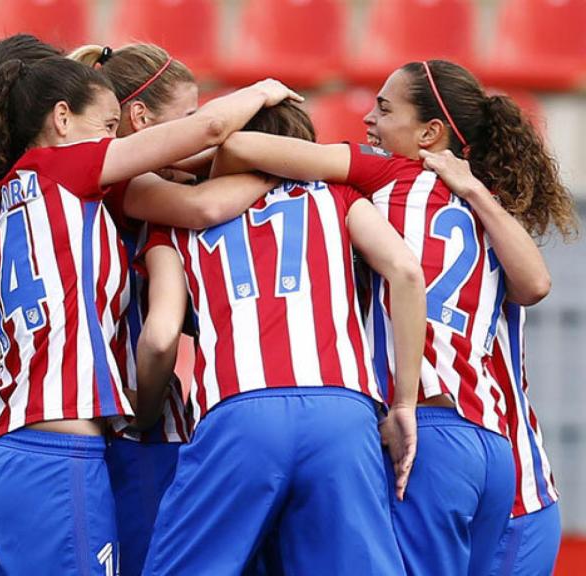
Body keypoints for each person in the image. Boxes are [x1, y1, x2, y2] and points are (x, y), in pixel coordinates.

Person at [206, 59, 571, 576]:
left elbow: (241, 146)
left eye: (383, 108)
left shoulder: (386, 172)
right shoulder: (486, 209)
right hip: (501, 450)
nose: (368, 121)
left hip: (427, 428)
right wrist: (472, 190)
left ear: (430, 132)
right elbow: (535, 284)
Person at [0, 53, 301, 574]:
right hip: (58, 445)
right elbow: (210, 136)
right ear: (61, 119)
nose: (114, 139)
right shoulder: (69, 170)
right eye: (108, 126)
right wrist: (270, 95)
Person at [135, 101, 425, 575]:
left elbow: (162, 336)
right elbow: (407, 272)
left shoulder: (177, 222)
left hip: (236, 413)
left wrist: (146, 413)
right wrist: (404, 403)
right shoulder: (339, 196)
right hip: (343, 410)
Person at [69, 42, 280, 576]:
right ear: (140, 118)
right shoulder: (119, 182)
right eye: (186, 116)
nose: (198, 128)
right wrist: (289, 167)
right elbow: (203, 207)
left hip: (116, 417)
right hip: (134, 422)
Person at [418, 136, 577, 575]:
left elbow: (537, 285)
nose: (370, 123)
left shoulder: (486, 233)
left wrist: (472, 191)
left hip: (515, 500)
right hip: (472, 478)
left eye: (386, 111)